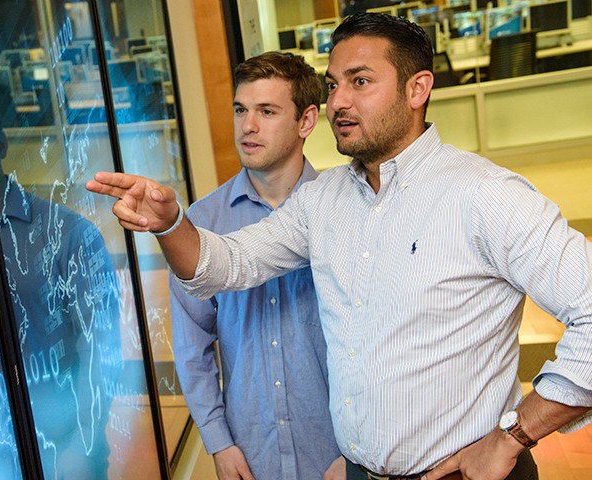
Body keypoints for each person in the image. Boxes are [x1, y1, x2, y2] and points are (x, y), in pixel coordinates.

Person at [86, 13, 592, 480]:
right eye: (333, 85)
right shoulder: (322, 201)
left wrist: (515, 435)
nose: (338, 102)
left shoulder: (485, 195)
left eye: (361, 82)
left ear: (417, 89)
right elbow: (227, 266)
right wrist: (171, 224)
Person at [0, 90, 122, 479]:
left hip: (64, 448)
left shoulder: (67, 233)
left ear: (2, 141)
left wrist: (84, 442)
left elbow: (101, 344)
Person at [168, 52, 340, 480]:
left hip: (338, 451)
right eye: (241, 110)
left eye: (267, 111)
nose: (248, 126)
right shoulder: (202, 225)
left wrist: (358, 451)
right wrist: (218, 442)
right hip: (250, 454)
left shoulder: (342, 212)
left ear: (306, 121)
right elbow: (193, 347)